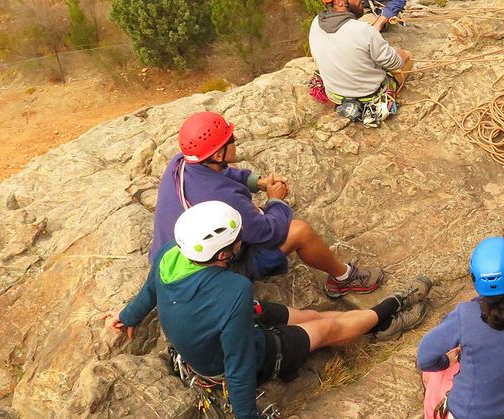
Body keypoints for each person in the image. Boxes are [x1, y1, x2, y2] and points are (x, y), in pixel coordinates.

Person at [103, 201, 432, 419]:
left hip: (218, 325)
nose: (240, 244)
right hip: (230, 355)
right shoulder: (233, 290)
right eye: (235, 242)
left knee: (313, 317)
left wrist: (128, 316)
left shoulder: (169, 256)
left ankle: (376, 323)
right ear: (221, 255)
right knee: (326, 330)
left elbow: (150, 292)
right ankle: (393, 307)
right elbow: (239, 362)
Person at [149, 111, 384, 298]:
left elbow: (222, 174)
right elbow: (269, 233)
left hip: (173, 263)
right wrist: (275, 200)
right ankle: (343, 279)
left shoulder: (180, 163)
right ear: (219, 154)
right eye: (230, 140)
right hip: (211, 275)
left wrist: (256, 182)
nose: (235, 140)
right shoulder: (223, 199)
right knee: (299, 231)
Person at [417, 237, 504, 419]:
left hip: (465, 413)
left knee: (433, 375)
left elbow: (425, 359)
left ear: (475, 279)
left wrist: (447, 362)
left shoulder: (464, 315)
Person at [308, 0, 414, 127]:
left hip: (335, 95)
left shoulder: (316, 23)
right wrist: (401, 54)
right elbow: (394, 63)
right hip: (369, 94)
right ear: (338, 1)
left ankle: (348, 105)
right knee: (407, 58)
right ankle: (373, 103)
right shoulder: (363, 30)